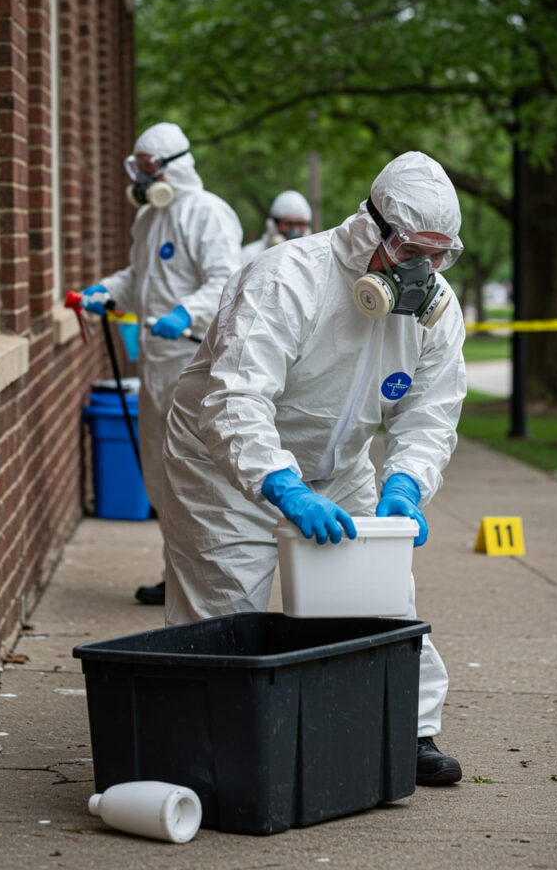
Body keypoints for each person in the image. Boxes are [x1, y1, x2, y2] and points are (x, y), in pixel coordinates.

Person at [160, 150, 466, 786]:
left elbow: (429, 416)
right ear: (371, 230)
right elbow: (236, 399)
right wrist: (280, 485)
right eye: (412, 251)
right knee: (226, 606)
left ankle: (406, 731)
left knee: (378, 601)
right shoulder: (285, 278)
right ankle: (211, 745)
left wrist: (408, 482)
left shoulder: (436, 314)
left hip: (339, 464)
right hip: (224, 463)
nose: (424, 272)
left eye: (440, 256)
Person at [80, 122, 243, 605]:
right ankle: (175, 576)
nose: (143, 178)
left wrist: (184, 311)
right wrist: (105, 291)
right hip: (154, 366)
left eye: (150, 169)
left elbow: (227, 280)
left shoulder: (208, 214)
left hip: (196, 364)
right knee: (160, 473)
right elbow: (140, 275)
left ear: (175, 167)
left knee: (198, 476)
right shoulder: (149, 220)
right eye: (140, 169)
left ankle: (214, 582)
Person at [241, 189, 312, 264]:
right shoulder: (249, 256)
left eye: (300, 224)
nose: (295, 230)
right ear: (273, 225)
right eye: (288, 224)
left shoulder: (313, 258)